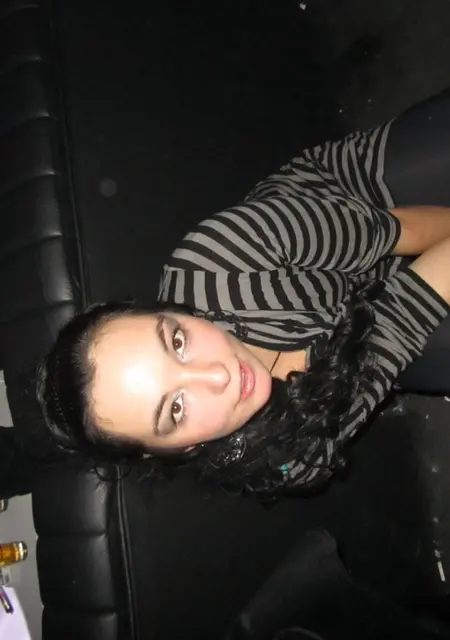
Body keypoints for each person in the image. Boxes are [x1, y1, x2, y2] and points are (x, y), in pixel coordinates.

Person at [37, 90, 450, 499]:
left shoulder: (222, 257)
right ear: (177, 450)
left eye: (177, 341)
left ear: (169, 310)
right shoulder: (280, 455)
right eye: (176, 409)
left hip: (361, 200)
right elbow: (401, 319)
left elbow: (392, 231)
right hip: (368, 329)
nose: (217, 376)